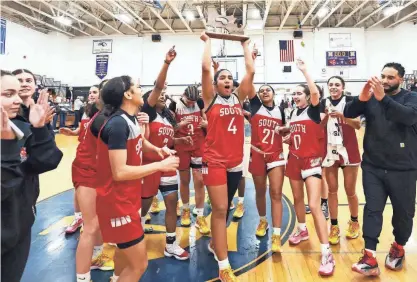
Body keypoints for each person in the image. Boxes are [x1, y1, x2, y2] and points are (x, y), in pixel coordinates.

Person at [95, 75, 179, 282]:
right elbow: (120, 172)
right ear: (128, 94)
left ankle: (116, 278)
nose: (142, 90)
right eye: (139, 87)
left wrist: (158, 150)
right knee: (139, 265)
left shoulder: (129, 119)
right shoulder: (117, 124)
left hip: (127, 199)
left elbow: (139, 140)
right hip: (117, 203)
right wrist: (160, 165)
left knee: (124, 254)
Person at [345, 62, 417, 276]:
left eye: (390, 77)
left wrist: (381, 98)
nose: (385, 81)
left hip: (403, 168)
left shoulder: (411, 97)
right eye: (382, 76)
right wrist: (362, 98)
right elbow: (349, 112)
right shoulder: (373, 98)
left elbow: (407, 117)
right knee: (372, 210)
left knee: (403, 214)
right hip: (373, 166)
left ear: (401, 79)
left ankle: (398, 246)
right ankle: (369, 257)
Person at [200, 31, 254, 281]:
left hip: (234, 162)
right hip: (214, 161)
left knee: (224, 210)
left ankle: (214, 241)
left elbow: (250, 73)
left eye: (230, 78)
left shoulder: (237, 98)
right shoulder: (210, 99)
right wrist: (208, 40)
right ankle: (223, 265)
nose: (227, 80)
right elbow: (205, 68)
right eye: (222, 77)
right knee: (221, 209)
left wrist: (245, 46)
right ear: (215, 84)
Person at [1, 70, 63, 282]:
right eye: (8, 93)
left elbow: (46, 161)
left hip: (19, 223)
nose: (18, 99)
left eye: (18, 93)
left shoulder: (20, 128)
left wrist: (39, 129)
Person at [285, 59, 335, 276]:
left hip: (311, 161)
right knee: (297, 199)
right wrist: (286, 137)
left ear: (307, 96)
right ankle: (302, 229)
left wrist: (305, 71)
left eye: (299, 93)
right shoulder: (293, 113)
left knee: (314, 205)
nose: (296, 96)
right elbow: (298, 136)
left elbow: (316, 95)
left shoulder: (314, 110)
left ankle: (326, 252)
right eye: (293, 94)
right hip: (294, 159)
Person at [140, 48, 191, 259]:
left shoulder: (168, 117)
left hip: (168, 167)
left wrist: (179, 140)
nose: (162, 94)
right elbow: (159, 86)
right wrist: (167, 63)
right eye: (157, 94)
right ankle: (134, 237)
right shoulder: (148, 112)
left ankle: (171, 244)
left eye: (164, 95)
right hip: (149, 167)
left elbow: (167, 141)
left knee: (172, 205)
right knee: (141, 210)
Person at [320, 76, 361, 245]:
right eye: (331, 85)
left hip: (349, 150)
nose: (334, 87)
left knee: (350, 190)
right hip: (330, 151)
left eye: (337, 84)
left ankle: (354, 221)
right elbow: (319, 127)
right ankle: (334, 226)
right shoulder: (323, 102)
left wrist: (342, 116)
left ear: (343, 87)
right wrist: (326, 117)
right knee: (332, 190)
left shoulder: (351, 101)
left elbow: (358, 125)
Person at [248, 84, 286, 253]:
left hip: (275, 154)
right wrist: (253, 61)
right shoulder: (256, 107)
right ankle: (263, 220)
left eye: (268, 90)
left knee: (276, 193)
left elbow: (285, 133)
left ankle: (276, 235)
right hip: (257, 154)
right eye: (261, 90)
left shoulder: (281, 111)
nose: (264, 92)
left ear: (274, 93)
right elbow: (249, 85)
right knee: (260, 191)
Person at [168, 84, 209, 232]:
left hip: (198, 145)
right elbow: (170, 129)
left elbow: (206, 122)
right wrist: (180, 125)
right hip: (182, 147)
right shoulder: (174, 105)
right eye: (189, 101)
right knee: (185, 180)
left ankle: (200, 216)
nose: (192, 104)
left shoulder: (200, 103)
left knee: (200, 181)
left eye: (194, 101)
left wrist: (206, 123)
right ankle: (185, 209)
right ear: (184, 96)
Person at [62, 85, 101, 235]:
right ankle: (78, 217)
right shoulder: (85, 111)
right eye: (90, 92)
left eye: (94, 92)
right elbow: (82, 129)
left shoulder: (106, 113)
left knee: (95, 192)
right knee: (78, 188)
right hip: (82, 156)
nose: (91, 95)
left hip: (97, 158)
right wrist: (73, 133)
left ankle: (95, 220)